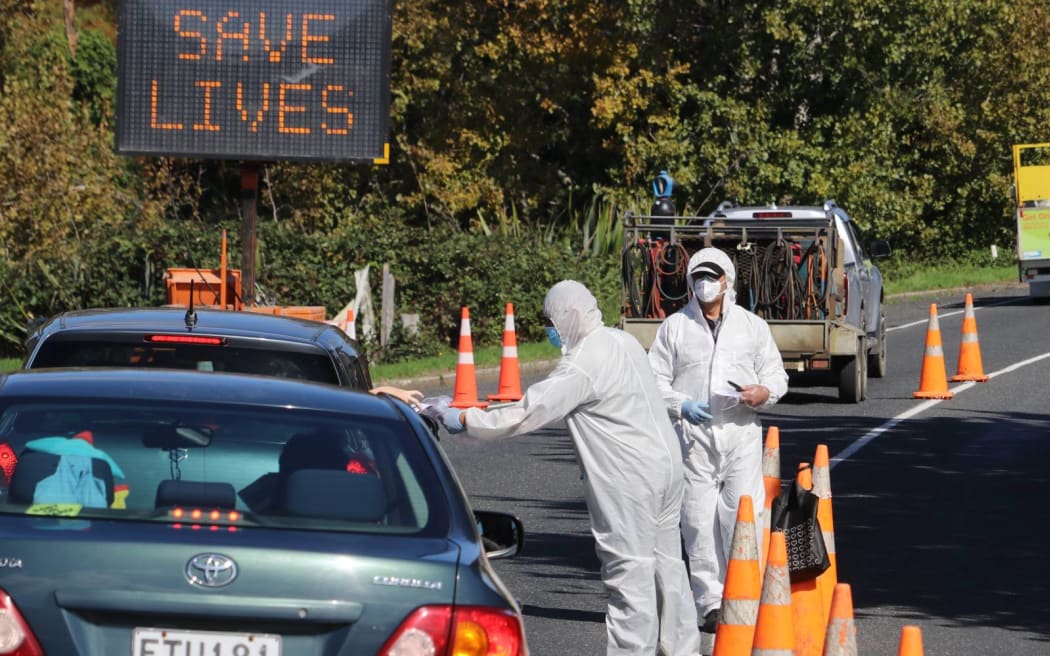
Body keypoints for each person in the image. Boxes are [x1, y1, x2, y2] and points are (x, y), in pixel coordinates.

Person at [442, 280, 700, 656]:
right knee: (668, 567)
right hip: (666, 469)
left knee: (629, 573)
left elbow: (529, 411)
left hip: (628, 480)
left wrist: (466, 419)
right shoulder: (621, 340)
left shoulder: (583, 362)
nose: (550, 329)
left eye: (551, 320)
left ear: (569, 315)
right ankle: (682, 649)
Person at [647, 247, 788, 634]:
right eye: (697, 277)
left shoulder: (751, 326)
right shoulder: (675, 327)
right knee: (697, 521)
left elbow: (777, 376)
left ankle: (745, 594)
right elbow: (653, 380)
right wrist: (681, 405)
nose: (704, 284)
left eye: (711, 276)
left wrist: (764, 394)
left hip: (740, 433)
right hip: (693, 438)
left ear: (727, 280)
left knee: (742, 516)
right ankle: (710, 603)